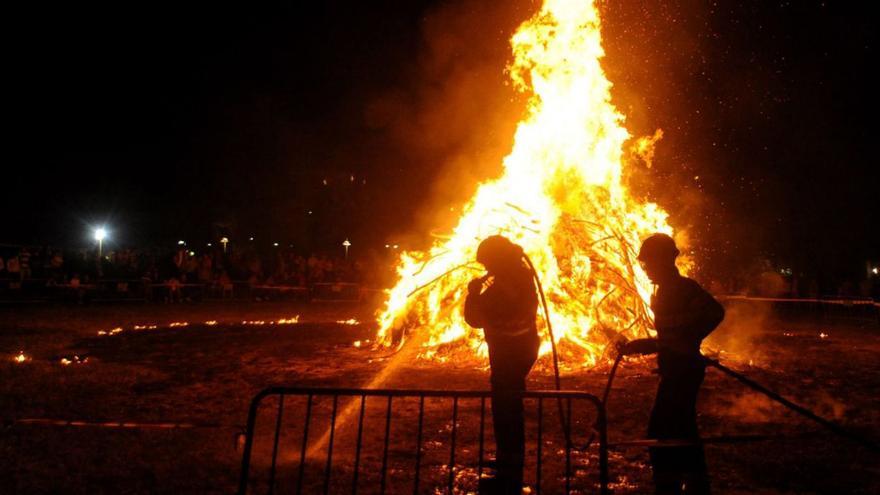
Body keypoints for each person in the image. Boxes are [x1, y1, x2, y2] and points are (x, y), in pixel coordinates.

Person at [618, 233, 724, 494]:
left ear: (665, 260)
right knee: (683, 429)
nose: (646, 269)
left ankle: (669, 485)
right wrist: (640, 345)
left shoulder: (682, 288)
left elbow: (715, 312)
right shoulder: (664, 290)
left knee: (662, 430)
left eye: (650, 263)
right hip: (675, 369)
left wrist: (689, 339)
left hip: (684, 370)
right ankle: (693, 484)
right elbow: (667, 337)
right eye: (645, 264)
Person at [464, 235, 539, 494]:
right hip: (521, 350)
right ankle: (508, 460)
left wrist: (473, 294)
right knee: (509, 407)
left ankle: (510, 472)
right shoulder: (520, 276)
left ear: (498, 259)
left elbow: (474, 319)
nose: (487, 269)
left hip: (509, 355)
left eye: (488, 263)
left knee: (506, 409)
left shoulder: (504, 285)